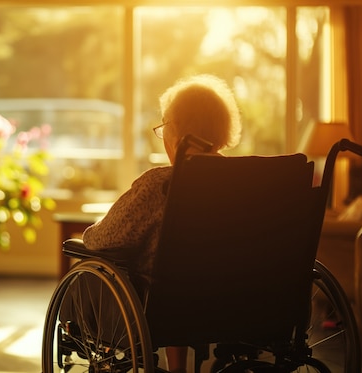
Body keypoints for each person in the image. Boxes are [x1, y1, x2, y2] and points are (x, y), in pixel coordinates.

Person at [81, 74, 242, 373]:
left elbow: (103, 240)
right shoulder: (243, 181)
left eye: (164, 127)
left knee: (89, 265)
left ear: (176, 134)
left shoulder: (159, 184)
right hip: (233, 303)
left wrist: (90, 231)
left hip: (165, 307)